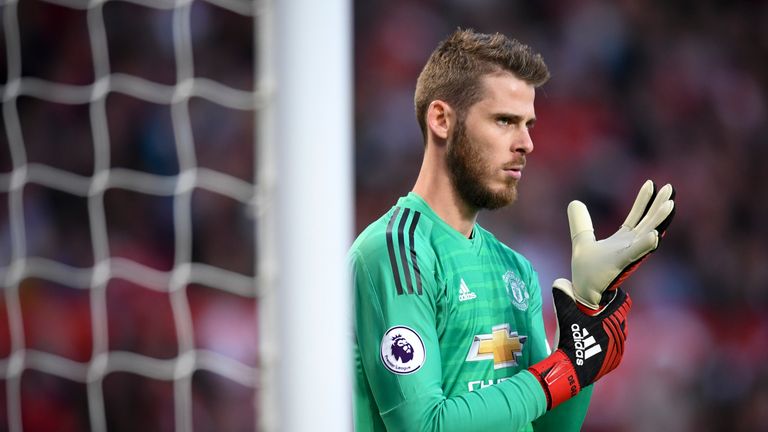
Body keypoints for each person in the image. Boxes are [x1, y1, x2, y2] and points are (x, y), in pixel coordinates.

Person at [351, 29, 675, 431]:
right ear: (441, 120)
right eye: (505, 121)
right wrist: (559, 372)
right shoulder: (396, 253)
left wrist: (589, 310)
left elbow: (549, 427)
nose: (526, 143)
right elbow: (424, 425)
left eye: (528, 124)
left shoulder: (515, 269)